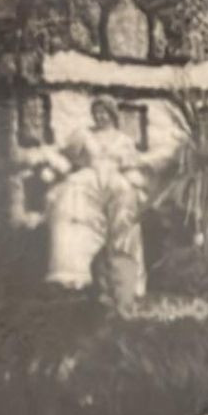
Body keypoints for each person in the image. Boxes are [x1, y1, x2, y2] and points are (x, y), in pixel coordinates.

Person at [34, 96, 147, 309]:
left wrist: (137, 185)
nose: (100, 116)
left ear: (113, 114)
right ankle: (75, 276)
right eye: (97, 112)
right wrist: (55, 169)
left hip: (115, 183)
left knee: (125, 216)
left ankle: (126, 283)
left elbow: (132, 167)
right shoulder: (84, 136)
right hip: (88, 180)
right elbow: (66, 157)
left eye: (105, 112)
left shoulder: (123, 141)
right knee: (71, 205)